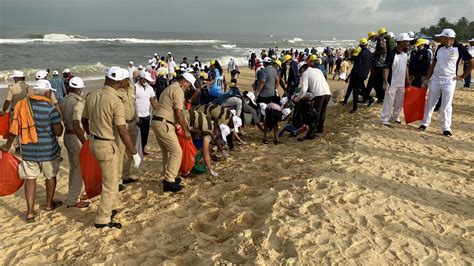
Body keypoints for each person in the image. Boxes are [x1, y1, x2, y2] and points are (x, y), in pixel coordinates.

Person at [82, 67, 141, 229]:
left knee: (108, 181)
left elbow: (84, 119)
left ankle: (106, 210)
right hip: (107, 145)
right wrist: (134, 153)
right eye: (125, 80)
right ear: (119, 81)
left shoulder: (92, 95)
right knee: (111, 184)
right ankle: (103, 219)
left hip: (94, 142)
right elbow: (122, 130)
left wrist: (90, 133)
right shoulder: (116, 101)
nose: (127, 82)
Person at [1, 80, 64, 222]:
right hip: (48, 151)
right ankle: (49, 205)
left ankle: (30, 211)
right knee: (50, 176)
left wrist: (7, 145)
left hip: (28, 149)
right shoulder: (50, 109)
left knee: (30, 178)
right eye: (50, 91)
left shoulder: (21, 106)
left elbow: (14, 129)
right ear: (46, 92)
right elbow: (59, 132)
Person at [419, 29, 473, 137]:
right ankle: (424, 123)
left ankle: (446, 128)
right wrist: (427, 78)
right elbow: (434, 64)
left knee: (446, 105)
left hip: (449, 81)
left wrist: (462, 76)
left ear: (448, 38)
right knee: (430, 102)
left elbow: (472, 63)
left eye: (442, 37)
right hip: (435, 80)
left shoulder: (459, 48)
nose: (440, 39)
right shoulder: (439, 48)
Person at [151, 73, 195, 193]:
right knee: (176, 151)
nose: (189, 87)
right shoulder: (178, 90)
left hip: (157, 121)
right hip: (164, 123)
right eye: (189, 84)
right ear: (184, 82)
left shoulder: (169, 87)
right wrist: (186, 130)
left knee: (167, 152)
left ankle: (168, 178)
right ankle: (170, 180)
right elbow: (179, 112)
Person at [60, 77, 89, 208]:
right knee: (79, 168)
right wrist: (84, 142)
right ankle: (73, 199)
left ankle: (75, 193)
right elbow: (77, 124)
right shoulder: (78, 102)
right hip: (75, 136)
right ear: (79, 88)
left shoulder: (65, 99)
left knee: (74, 167)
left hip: (67, 135)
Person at [380, 33, 413, 126]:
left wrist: (407, 79)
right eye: (406, 41)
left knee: (399, 102)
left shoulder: (405, 53)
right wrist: (385, 81)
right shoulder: (391, 54)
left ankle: (395, 116)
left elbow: (406, 67)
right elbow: (386, 68)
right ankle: (384, 119)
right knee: (389, 102)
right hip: (392, 82)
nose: (408, 43)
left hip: (402, 82)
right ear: (401, 42)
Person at [294, 62, 332, 141]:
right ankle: (320, 129)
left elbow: (304, 89)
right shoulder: (317, 70)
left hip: (318, 94)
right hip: (327, 92)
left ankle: (311, 134)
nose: (300, 73)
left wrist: (298, 98)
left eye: (300, 71)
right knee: (322, 112)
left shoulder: (305, 73)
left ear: (302, 68)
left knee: (314, 114)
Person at [183, 109, 220, 177]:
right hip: (181, 119)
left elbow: (194, 127)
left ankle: (184, 169)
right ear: (217, 131)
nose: (218, 137)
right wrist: (210, 170)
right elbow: (205, 152)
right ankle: (185, 172)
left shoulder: (210, 122)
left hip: (184, 113)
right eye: (219, 136)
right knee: (181, 149)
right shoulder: (209, 131)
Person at [344, 38, 372, 113]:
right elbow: (370, 65)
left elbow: (357, 66)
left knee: (355, 91)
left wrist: (350, 76)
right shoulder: (369, 53)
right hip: (365, 74)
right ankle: (369, 98)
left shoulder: (360, 53)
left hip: (358, 74)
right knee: (359, 89)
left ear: (360, 45)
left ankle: (355, 108)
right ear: (366, 44)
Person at [135, 72, 158, 156]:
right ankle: (134, 151)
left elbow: (153, 100)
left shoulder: (150, 88)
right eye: (145, 80)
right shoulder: (134, 87)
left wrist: (158, 111)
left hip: (146, 115)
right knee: (136, 135)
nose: (147, 82)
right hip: (137, 116)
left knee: (145, 134)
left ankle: (142, 149)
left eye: (148, 81)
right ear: (141, 78)